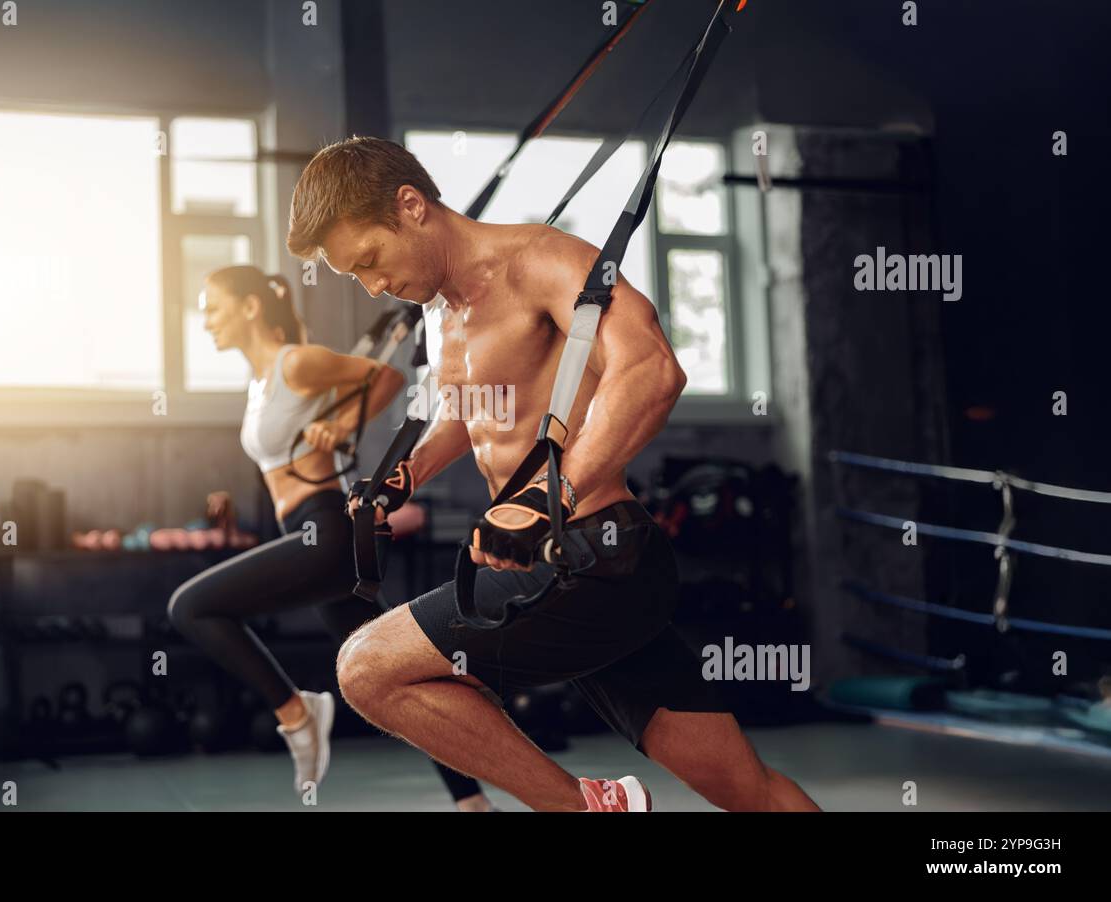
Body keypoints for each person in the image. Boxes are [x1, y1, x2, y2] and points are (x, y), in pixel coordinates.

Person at [286, 137, 821, 812]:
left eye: (369, 260)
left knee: (366, 668)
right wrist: (406, 474)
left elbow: (653, 369)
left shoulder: (541, 260)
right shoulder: (443, 310)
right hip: (559, 573)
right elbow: (471, 409)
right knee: (752, 793)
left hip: (596, 556)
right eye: (354, 276)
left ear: (411, 206)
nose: (374, 285)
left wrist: (550, 499)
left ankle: (583, 808)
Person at [166, 264, 494, 811]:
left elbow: (385, 379)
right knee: (398, 678)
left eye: (213, 308)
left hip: (327, 536)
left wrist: (343, 428)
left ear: (250, 307)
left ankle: (296, 712)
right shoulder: (260, 379)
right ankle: (471, 800)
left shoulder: (297, 361)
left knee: (191, 608)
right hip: (309, 539)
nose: (205, 323)